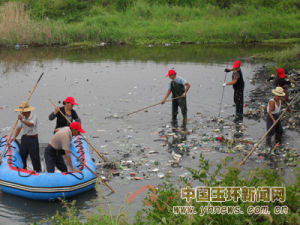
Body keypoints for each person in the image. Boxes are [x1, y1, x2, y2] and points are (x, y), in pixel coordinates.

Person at [10, 102, 41, 172]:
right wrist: (14, 136)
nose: (21, 112)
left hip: (33, 139)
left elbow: (30, 124)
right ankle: (23, 170)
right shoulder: (22, 116)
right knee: (22, 156)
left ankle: (38, 172)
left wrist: (22, 120)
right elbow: (19, 127)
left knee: (35, 158)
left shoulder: (34, 116)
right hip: (25, 138)